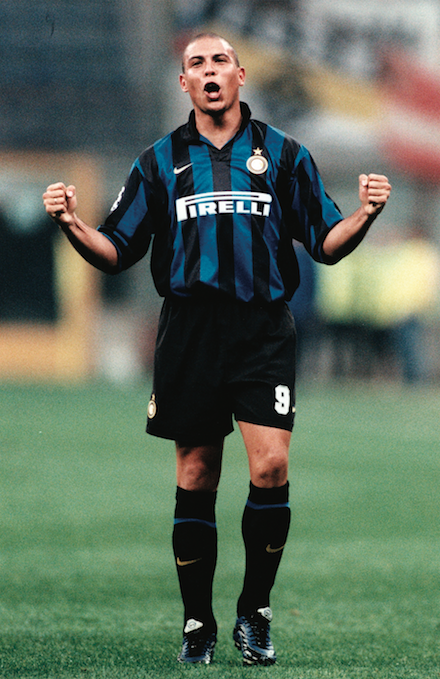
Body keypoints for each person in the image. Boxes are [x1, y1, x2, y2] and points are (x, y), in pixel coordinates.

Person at [43, 32, 391, 666]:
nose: (209, 71)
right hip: (190, 331)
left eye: (220, 61)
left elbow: (325, 241)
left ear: (239, 75)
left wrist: (365, 215)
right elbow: (117, 250)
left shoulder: (285, 155)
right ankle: (197, 622)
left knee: (271, 467)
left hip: (262, 330)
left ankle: (254, 613)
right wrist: (72, 224)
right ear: (184, 83)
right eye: (197, 63)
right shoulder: (158, 162)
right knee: (197, 473)